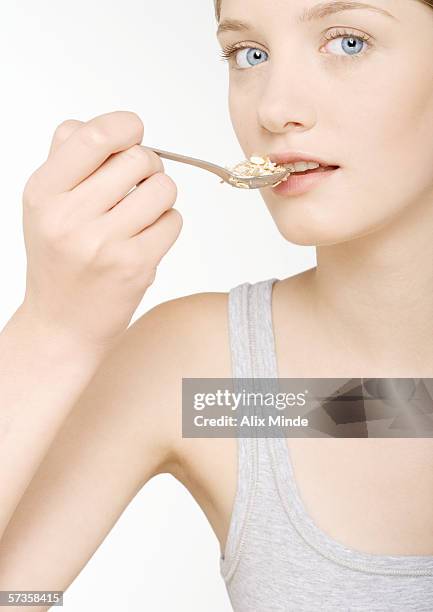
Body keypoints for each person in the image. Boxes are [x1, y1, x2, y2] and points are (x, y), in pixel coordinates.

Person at [0, 0, 432, 609]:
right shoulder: (225, 392)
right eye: (248, 55)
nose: (274, 109)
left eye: (349, 42)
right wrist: (54, 331)